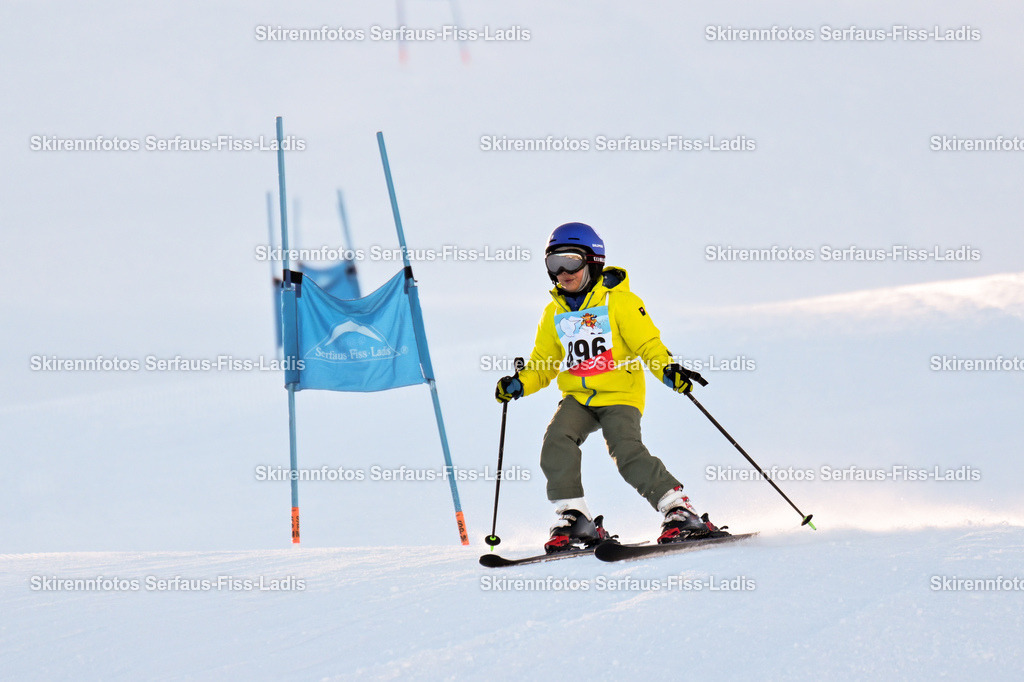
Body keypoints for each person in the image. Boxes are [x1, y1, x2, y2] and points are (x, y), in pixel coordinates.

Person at [495, 222, 728, 553]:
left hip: (620, 394)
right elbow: (543, 364)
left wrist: (668, 370)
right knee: (556, 441)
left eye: (571, 261)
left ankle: (679, 510)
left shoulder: (620, 303)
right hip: (579, 396)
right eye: (553, 264)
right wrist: (520, 383)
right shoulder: (554, 313)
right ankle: (575, 518)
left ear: (592, 261)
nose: (562, 271)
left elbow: (648, 344)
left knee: (625, 450)